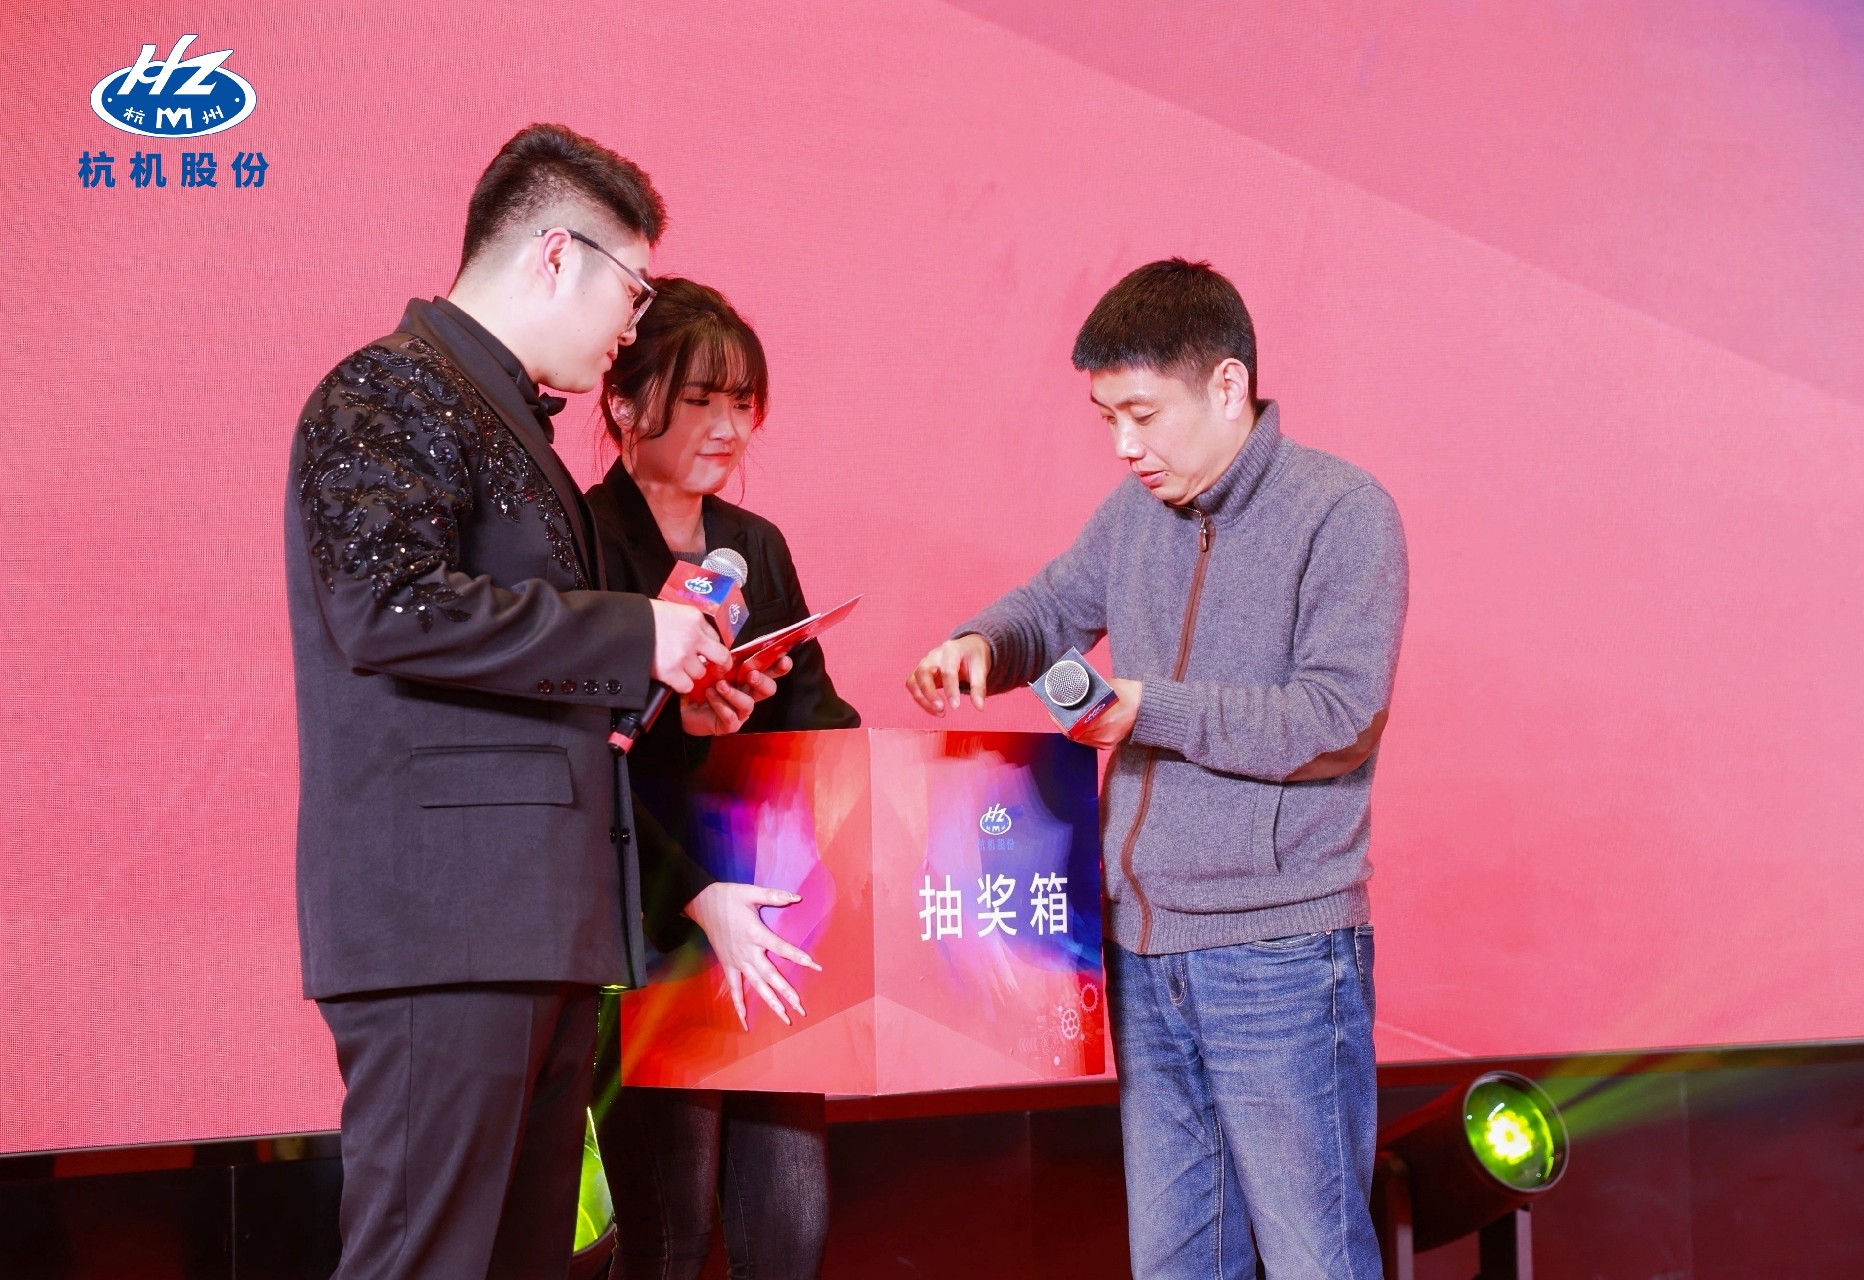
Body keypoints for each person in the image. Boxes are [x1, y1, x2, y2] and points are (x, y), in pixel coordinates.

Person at [283, 124, 783, 1279]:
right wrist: (636, 631)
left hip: (534, 925)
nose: (632, 326)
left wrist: (669, 684)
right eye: (633, 290)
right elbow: (385, 604)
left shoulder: (507, 419)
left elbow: (522, 680)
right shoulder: (388, 388)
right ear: (558, 254)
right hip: (445, 926)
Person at [907, 259, 1407, 1280]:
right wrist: (980, 643)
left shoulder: (1343, 512)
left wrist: (1151, 708)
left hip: (1280, 949)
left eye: (1142, 414)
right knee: (1176, 1264)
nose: (1124, 446)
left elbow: (1336, 717)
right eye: (1107, 419)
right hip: (1139, 948)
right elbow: (1051, 607)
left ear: (1228, 385)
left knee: (1317, 1260)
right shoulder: (1134, 514)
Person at [584, 277, 859, 1280]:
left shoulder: (756, 547)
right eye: (699, 400)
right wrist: (696, 892)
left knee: (791, 1225)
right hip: (651, 921)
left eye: (742, 403)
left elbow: (813, 720)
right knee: (668, 1236)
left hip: (768, 919)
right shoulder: (583, 541)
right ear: (624, 403)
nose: (728, 427)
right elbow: (584, 760)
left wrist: (880, 768)